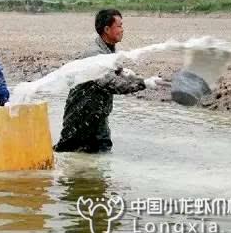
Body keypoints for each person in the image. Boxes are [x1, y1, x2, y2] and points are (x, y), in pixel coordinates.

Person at [53, 9, 165, 153]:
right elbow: (112, 84)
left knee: (103, 150)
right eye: (119, 26)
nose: (122, 30)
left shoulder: (109, 50)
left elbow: (118, 73)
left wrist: (138, 78)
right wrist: (144, 84)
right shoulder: (94, 55)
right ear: (107, 29)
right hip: (80, 118)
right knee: (71, 154)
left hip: (98, 116)